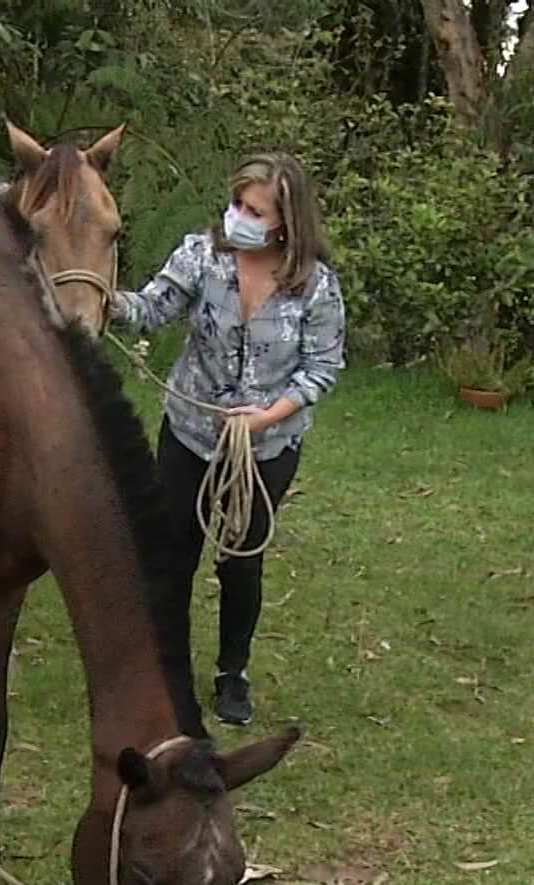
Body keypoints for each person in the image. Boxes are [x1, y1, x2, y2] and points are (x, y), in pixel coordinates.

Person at [109, 152, 345, 726]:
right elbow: (150, 308)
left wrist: (266, 417)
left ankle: (231, 673)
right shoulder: (201, 257)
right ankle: (165, 667)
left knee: (240, 561)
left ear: (285, 222)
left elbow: (321, 368)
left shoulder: (315, 287)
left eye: (254, 210)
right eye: (238, 203)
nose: (239, 216)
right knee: (172, 554)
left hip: (264, 449)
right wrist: (99, 298)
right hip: (189, 434)